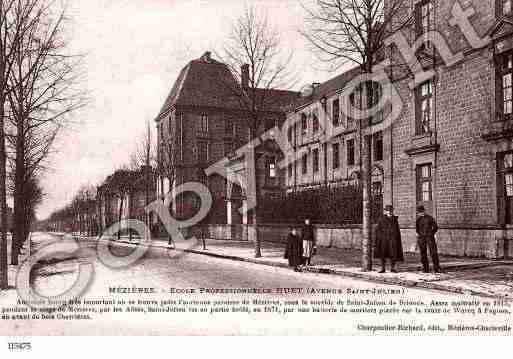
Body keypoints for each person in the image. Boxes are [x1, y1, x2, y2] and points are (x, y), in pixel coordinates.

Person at [374, 205, 404, 273]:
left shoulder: (395, 219)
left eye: (390, 211)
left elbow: (397, 230)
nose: (389, 212)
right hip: (384, 239)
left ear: (392, 211)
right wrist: (380, 237)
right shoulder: (381, 219)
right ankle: (383, 268)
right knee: (383, 253)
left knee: (393, 253)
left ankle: (392, 268)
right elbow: (378, 229)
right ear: (385, 211)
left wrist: (396, 237)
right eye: (388, 211)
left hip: (392, 239)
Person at [416, 205, 441, 273]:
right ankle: (425, 268)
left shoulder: (430, 218)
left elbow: (435, 227)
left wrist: (431, 233)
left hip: (429, 237)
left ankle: (436, 267)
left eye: (422, 211)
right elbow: (417, 228)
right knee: (423, 253)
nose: (421, 213)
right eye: (419, 212)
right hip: (421, 238)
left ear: (424, 211)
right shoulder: (418, 219)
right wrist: (419, 234)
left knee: (433, 252)